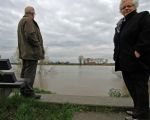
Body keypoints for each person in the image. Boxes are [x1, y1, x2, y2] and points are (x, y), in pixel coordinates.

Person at [113, 0, 150, 119]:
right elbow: (118, 42)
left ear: (135, 7)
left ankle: (142, 115)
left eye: (129, 6)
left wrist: (139, 50)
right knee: (131, 87)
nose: (126, 8)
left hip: (138, 61)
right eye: (123, 7)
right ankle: (137, 109)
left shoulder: (142, 16)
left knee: (140, 87)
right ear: (120, 10)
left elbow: (148, 33)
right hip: (124, 61)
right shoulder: (121, 24)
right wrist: (116, 56)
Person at [17, 6, 45, 99]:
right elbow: (30, 35)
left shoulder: (22, 21)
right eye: (34, 13)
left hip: (25, 52)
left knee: (25, 72)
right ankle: (29, 93)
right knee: (30, 73)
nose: (35, 15)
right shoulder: (28, 20)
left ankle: (24, 92)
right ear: (31, 13)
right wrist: (38, 45)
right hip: (31, 53)